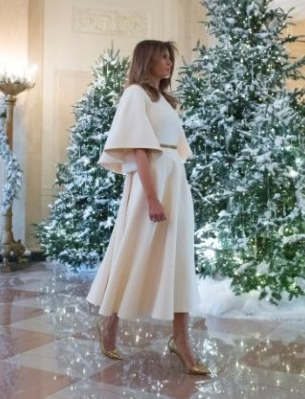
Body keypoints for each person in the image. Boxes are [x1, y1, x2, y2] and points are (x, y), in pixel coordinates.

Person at [86, 40, 209, 375]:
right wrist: (152, 197)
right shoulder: (135, 95)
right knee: (133, 249)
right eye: (163, 57)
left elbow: (172, 147)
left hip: (173, 177)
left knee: (178, 255)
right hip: (149, 182)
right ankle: (108, 327)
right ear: (146, 60)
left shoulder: (165, 101)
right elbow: (138, 148)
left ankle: (181, 341)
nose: (169, 62)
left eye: (171, 57)